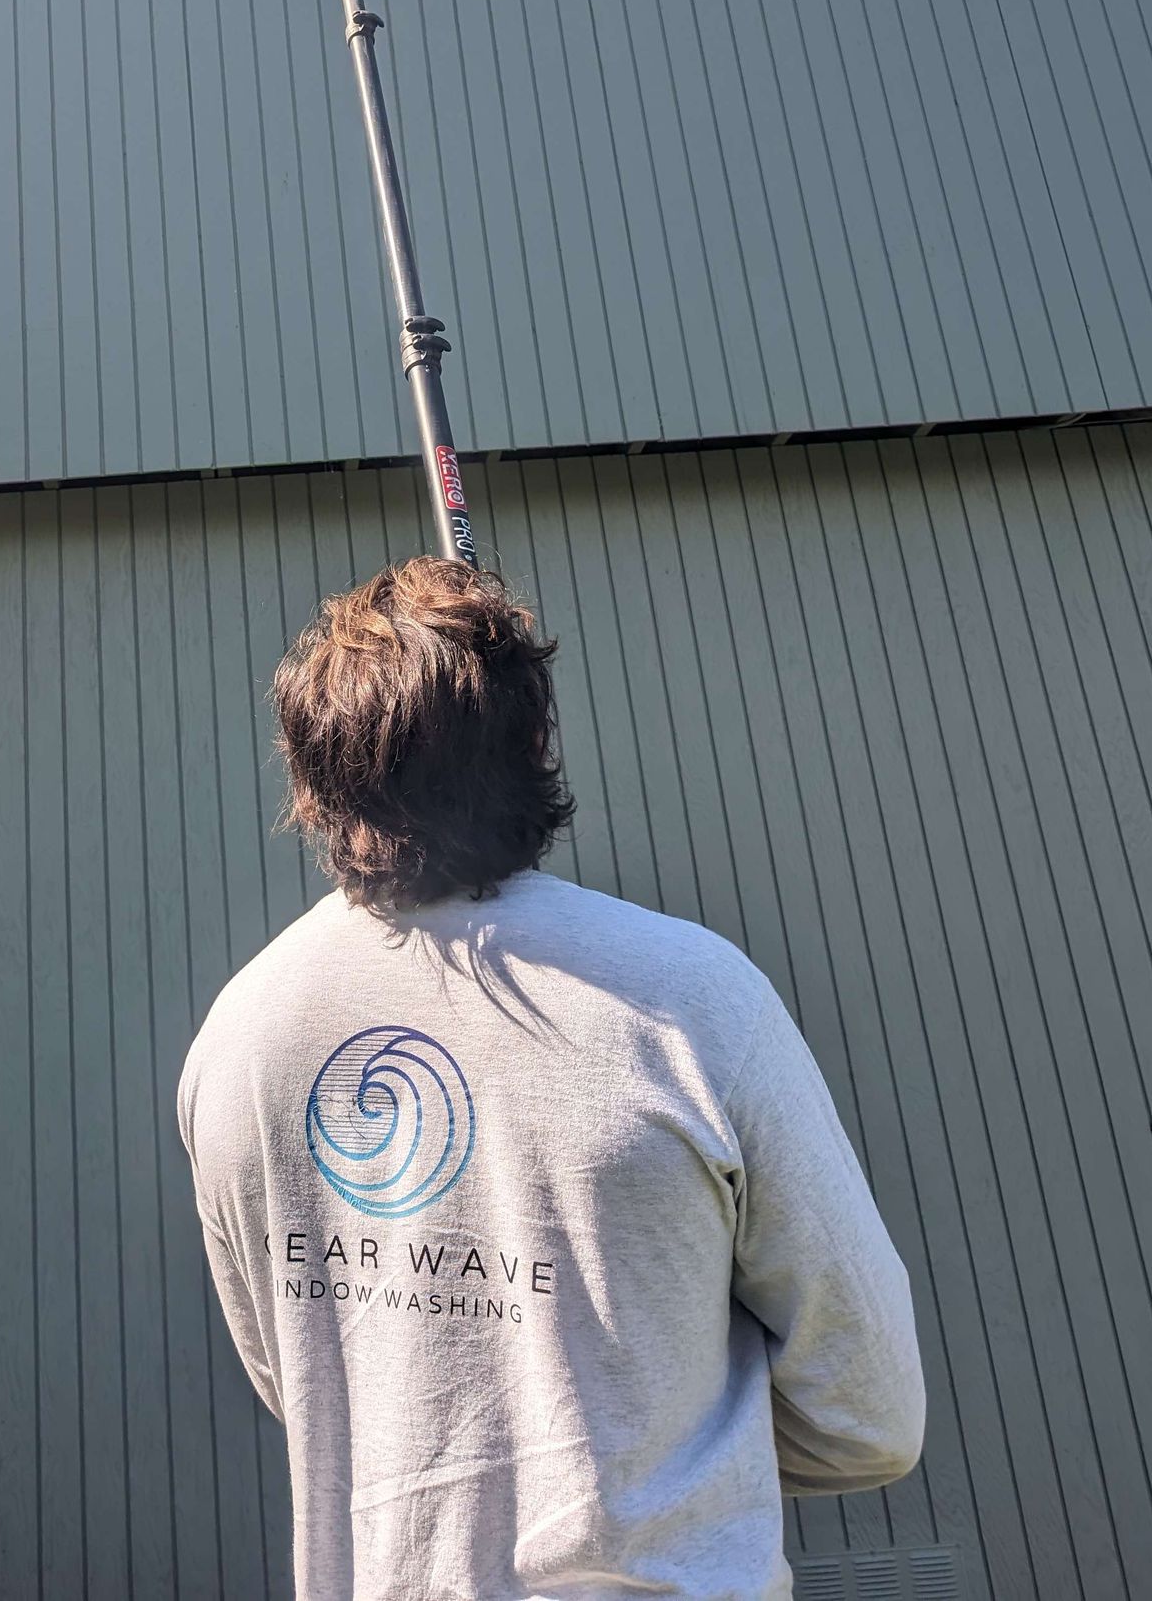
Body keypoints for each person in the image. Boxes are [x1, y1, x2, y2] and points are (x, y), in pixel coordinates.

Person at [178, 555, 925, 1601]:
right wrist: (646, 1441)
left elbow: (302, 1386)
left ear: (314, 778)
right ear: (533, 745)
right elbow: (870, 1413)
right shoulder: (691, 1001)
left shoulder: (241, 1035)